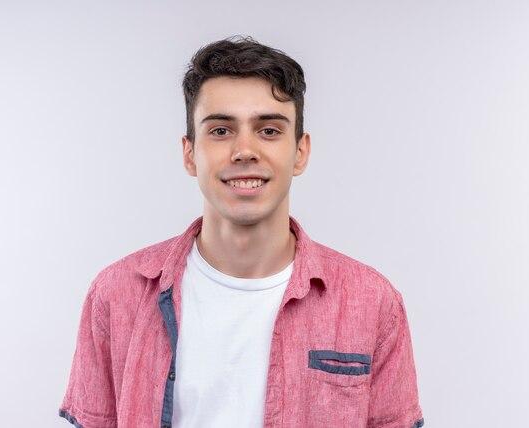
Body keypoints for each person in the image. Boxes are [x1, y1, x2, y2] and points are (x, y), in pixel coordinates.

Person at [59, 36, 424, 428]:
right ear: (189, 153)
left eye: (269, 130)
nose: (245, 150)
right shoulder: (116, 294)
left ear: (300, 151)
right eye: (220, 131)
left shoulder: (373, 303)